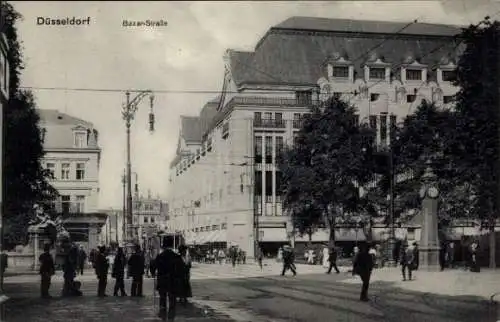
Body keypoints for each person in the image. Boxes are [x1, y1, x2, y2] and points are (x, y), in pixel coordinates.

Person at [155, 235, 185, 321]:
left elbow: (153, 266)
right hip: (172, 280)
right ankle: (171, 316)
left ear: (163, 245)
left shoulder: (160, 256)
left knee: (162, 298)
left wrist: (153, 272)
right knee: (172, 299)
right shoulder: (176, 256)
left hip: (162, 280)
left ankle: (163, 314)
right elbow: (181, 269)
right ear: (171, 245)